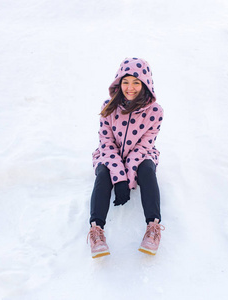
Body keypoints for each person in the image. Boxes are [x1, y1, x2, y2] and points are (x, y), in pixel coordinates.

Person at [87, 57, 165, 258]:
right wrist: (118, 178)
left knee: (147, 169)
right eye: (125, 82)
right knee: (103, 173)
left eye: (136, 82)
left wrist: (128, 174)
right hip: (109, 154)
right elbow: (106, 143)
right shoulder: (109, 107)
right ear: (118, 82)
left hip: (141, 155)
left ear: (145, 84)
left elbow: (144, 145)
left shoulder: (155, 112)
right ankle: (96, 230)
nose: (130, 88)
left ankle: (153, 227)